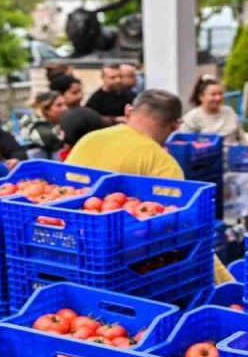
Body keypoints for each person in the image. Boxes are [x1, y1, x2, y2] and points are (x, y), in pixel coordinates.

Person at [66, 89, 233, 284]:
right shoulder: (163, 164)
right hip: (123, 266)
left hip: (70, 247)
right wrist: (227, 283)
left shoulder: (89, 140)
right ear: (175, 126)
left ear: (128, 111)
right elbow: (180, 229)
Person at [182, 75, 246, 145]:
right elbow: (184, 144)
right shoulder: (192, 118)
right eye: (213, 95)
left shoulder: (230, 112)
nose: (218, 98)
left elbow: (242, 140)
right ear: (201, 97)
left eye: (220, 94)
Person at [23, 91, 68, 158]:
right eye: (59, 105)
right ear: (46, 109)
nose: (65, 108)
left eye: (65, 104)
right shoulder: (33, 123)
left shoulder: (60, 121)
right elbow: (49, 140)